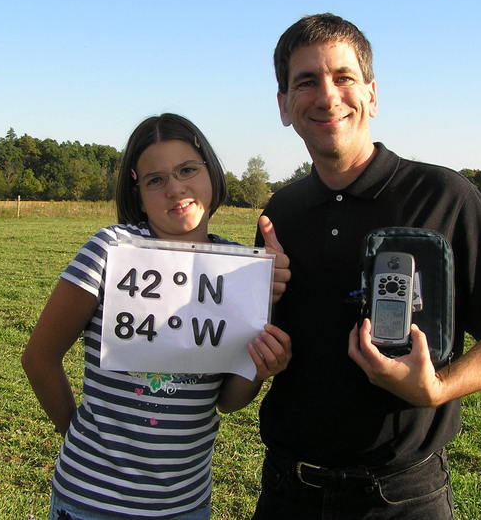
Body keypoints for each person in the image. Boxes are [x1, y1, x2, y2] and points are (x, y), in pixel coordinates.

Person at [252, 13, 481, 520]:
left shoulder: (445, 197)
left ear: (373, 95)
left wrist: (436, 388)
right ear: (284, 106)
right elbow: (257, 348)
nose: (327, 95)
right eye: (306, 82)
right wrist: (258, 298)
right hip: (287, 492)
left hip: (402, 498)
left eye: (344, 77)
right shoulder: (279, 214)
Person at [22, 113, 291, 520]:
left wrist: (260, 367)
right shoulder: (111, 249)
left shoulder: (240, 270)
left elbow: (228, 401)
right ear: (139, 191)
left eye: (187, 170)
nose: (175, 189)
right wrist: (73, 433)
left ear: (211, 173)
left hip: (186, 505)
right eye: (155, 180)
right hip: (90, 503)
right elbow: (39, 358)